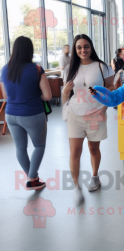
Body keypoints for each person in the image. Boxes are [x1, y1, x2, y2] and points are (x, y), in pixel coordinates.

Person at [62, 34, 114, 205]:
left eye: (86, 46)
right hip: (74, 115)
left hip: (96, 114)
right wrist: (64, 92)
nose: (83, 50)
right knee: (74, 152)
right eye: (79, 47)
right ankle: (77, 187)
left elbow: (111, 88)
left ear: (91, 47)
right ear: (75, 49)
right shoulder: (70, 69)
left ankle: (95, 176)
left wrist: (104, 108)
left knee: (93, 149)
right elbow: (66, 97)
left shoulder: (102, 66)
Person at [0, 36, 52, 190]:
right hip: (32, 114)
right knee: (39, 146)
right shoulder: (36, 69)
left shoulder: (4, 69)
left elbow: (5, 97)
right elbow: (48, 96)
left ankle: (33, 178)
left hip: (11, 115)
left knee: (20, 148)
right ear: (30, 51)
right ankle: (32, 178)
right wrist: (36, 95)